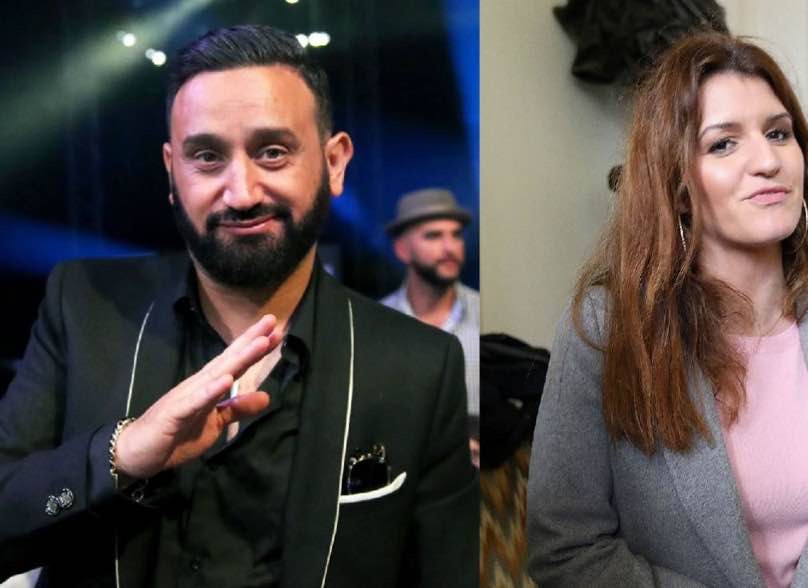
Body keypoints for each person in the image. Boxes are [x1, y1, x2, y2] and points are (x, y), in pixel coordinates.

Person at [0, 25, 477, 587]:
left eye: (272, 152)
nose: (242, 192)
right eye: (207, 156)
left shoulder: (420, 365)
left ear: (335, 163)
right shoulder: (84, 307)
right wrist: (121, 454)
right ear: (172, 172)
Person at [527, 32, 808, 588]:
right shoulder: (604, 327)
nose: (768, 161)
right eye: (723, 144)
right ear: (678, 188)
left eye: (778, 133)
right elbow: (566, 549)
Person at [381, 188, 479, 466]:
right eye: (433, 236)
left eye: (456, 235)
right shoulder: (378, 324)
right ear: (402, 249)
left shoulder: (485, 314)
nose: (450, 248)